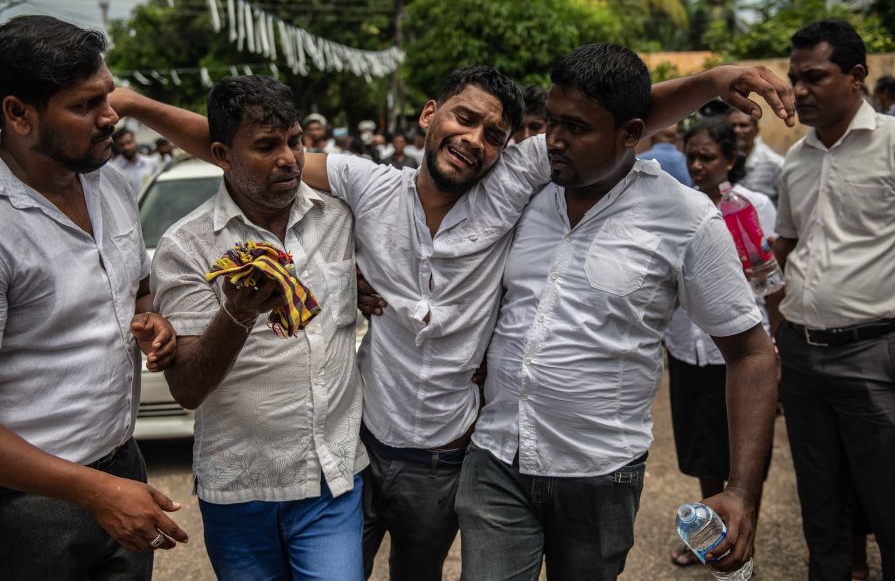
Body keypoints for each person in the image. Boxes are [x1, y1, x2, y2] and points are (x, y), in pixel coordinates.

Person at [110, 57, 795, 581]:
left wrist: (713, 81)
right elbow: (247, 146)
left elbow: (611, 118)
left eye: (494, 133)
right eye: (463, 119)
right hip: (361, 452)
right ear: (430, 113)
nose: (474, 139)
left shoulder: (512, 186)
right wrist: (135, 102)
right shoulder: (365, 185)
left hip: (447, 462)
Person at [455, 44, 778, 581]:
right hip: (496, 457)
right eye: (551, 121)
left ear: (632, 132)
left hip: (600, 474)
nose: (553, 139)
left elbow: (751, 354)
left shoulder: (685, 218)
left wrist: (741, 490)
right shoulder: (527, 186)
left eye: (576, 128)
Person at [0, 15, 187, 580]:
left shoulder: (106, 178)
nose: (112, 116)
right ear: (18, 114)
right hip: (21, 505)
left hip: (121, 465)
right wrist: (95, 492)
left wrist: (150, 318)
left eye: (108, 96)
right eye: (86, 105)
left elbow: (135, 287)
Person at [150, 75, 366, 580]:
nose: (289, 158)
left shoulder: (341, 219)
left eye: (294, 141)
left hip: (331, 480)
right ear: (223, 154)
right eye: (267, 146)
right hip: (238, 491)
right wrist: (238, 313)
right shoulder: (187, 246)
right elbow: (186, 387)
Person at [770, 19, 895, 581]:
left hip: (873, 353)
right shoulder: (796, 159)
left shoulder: (891, 145)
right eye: (794, 78)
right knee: (819, 505)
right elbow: (790, 248)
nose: (798, 91)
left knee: (887, 499)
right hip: (800, 355)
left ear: (857, 76)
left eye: (814, 77)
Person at [664, 117, 776, 567]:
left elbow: (772, 285)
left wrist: (774, 348)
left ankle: (742, 536)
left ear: (730, 158)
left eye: (706, 157)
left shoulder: (753, 206)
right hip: (687, 348)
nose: (696, 166)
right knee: (702, 448)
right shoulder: (674, 207)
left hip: (735, 352)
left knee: (743, 453)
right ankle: (708, 536)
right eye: (690, 156)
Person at [727, 108, 785, 206]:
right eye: (732, 126)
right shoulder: (723, 161)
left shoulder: (775, 163)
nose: (736, 130)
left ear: (756, 130)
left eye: (743, 125)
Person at [110, 127, 162, 196]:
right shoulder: (114, 170)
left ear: (135, 141)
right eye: (121, 145)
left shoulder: (150, 163)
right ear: (117, 146)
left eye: (129, 142)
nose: (126, 147)